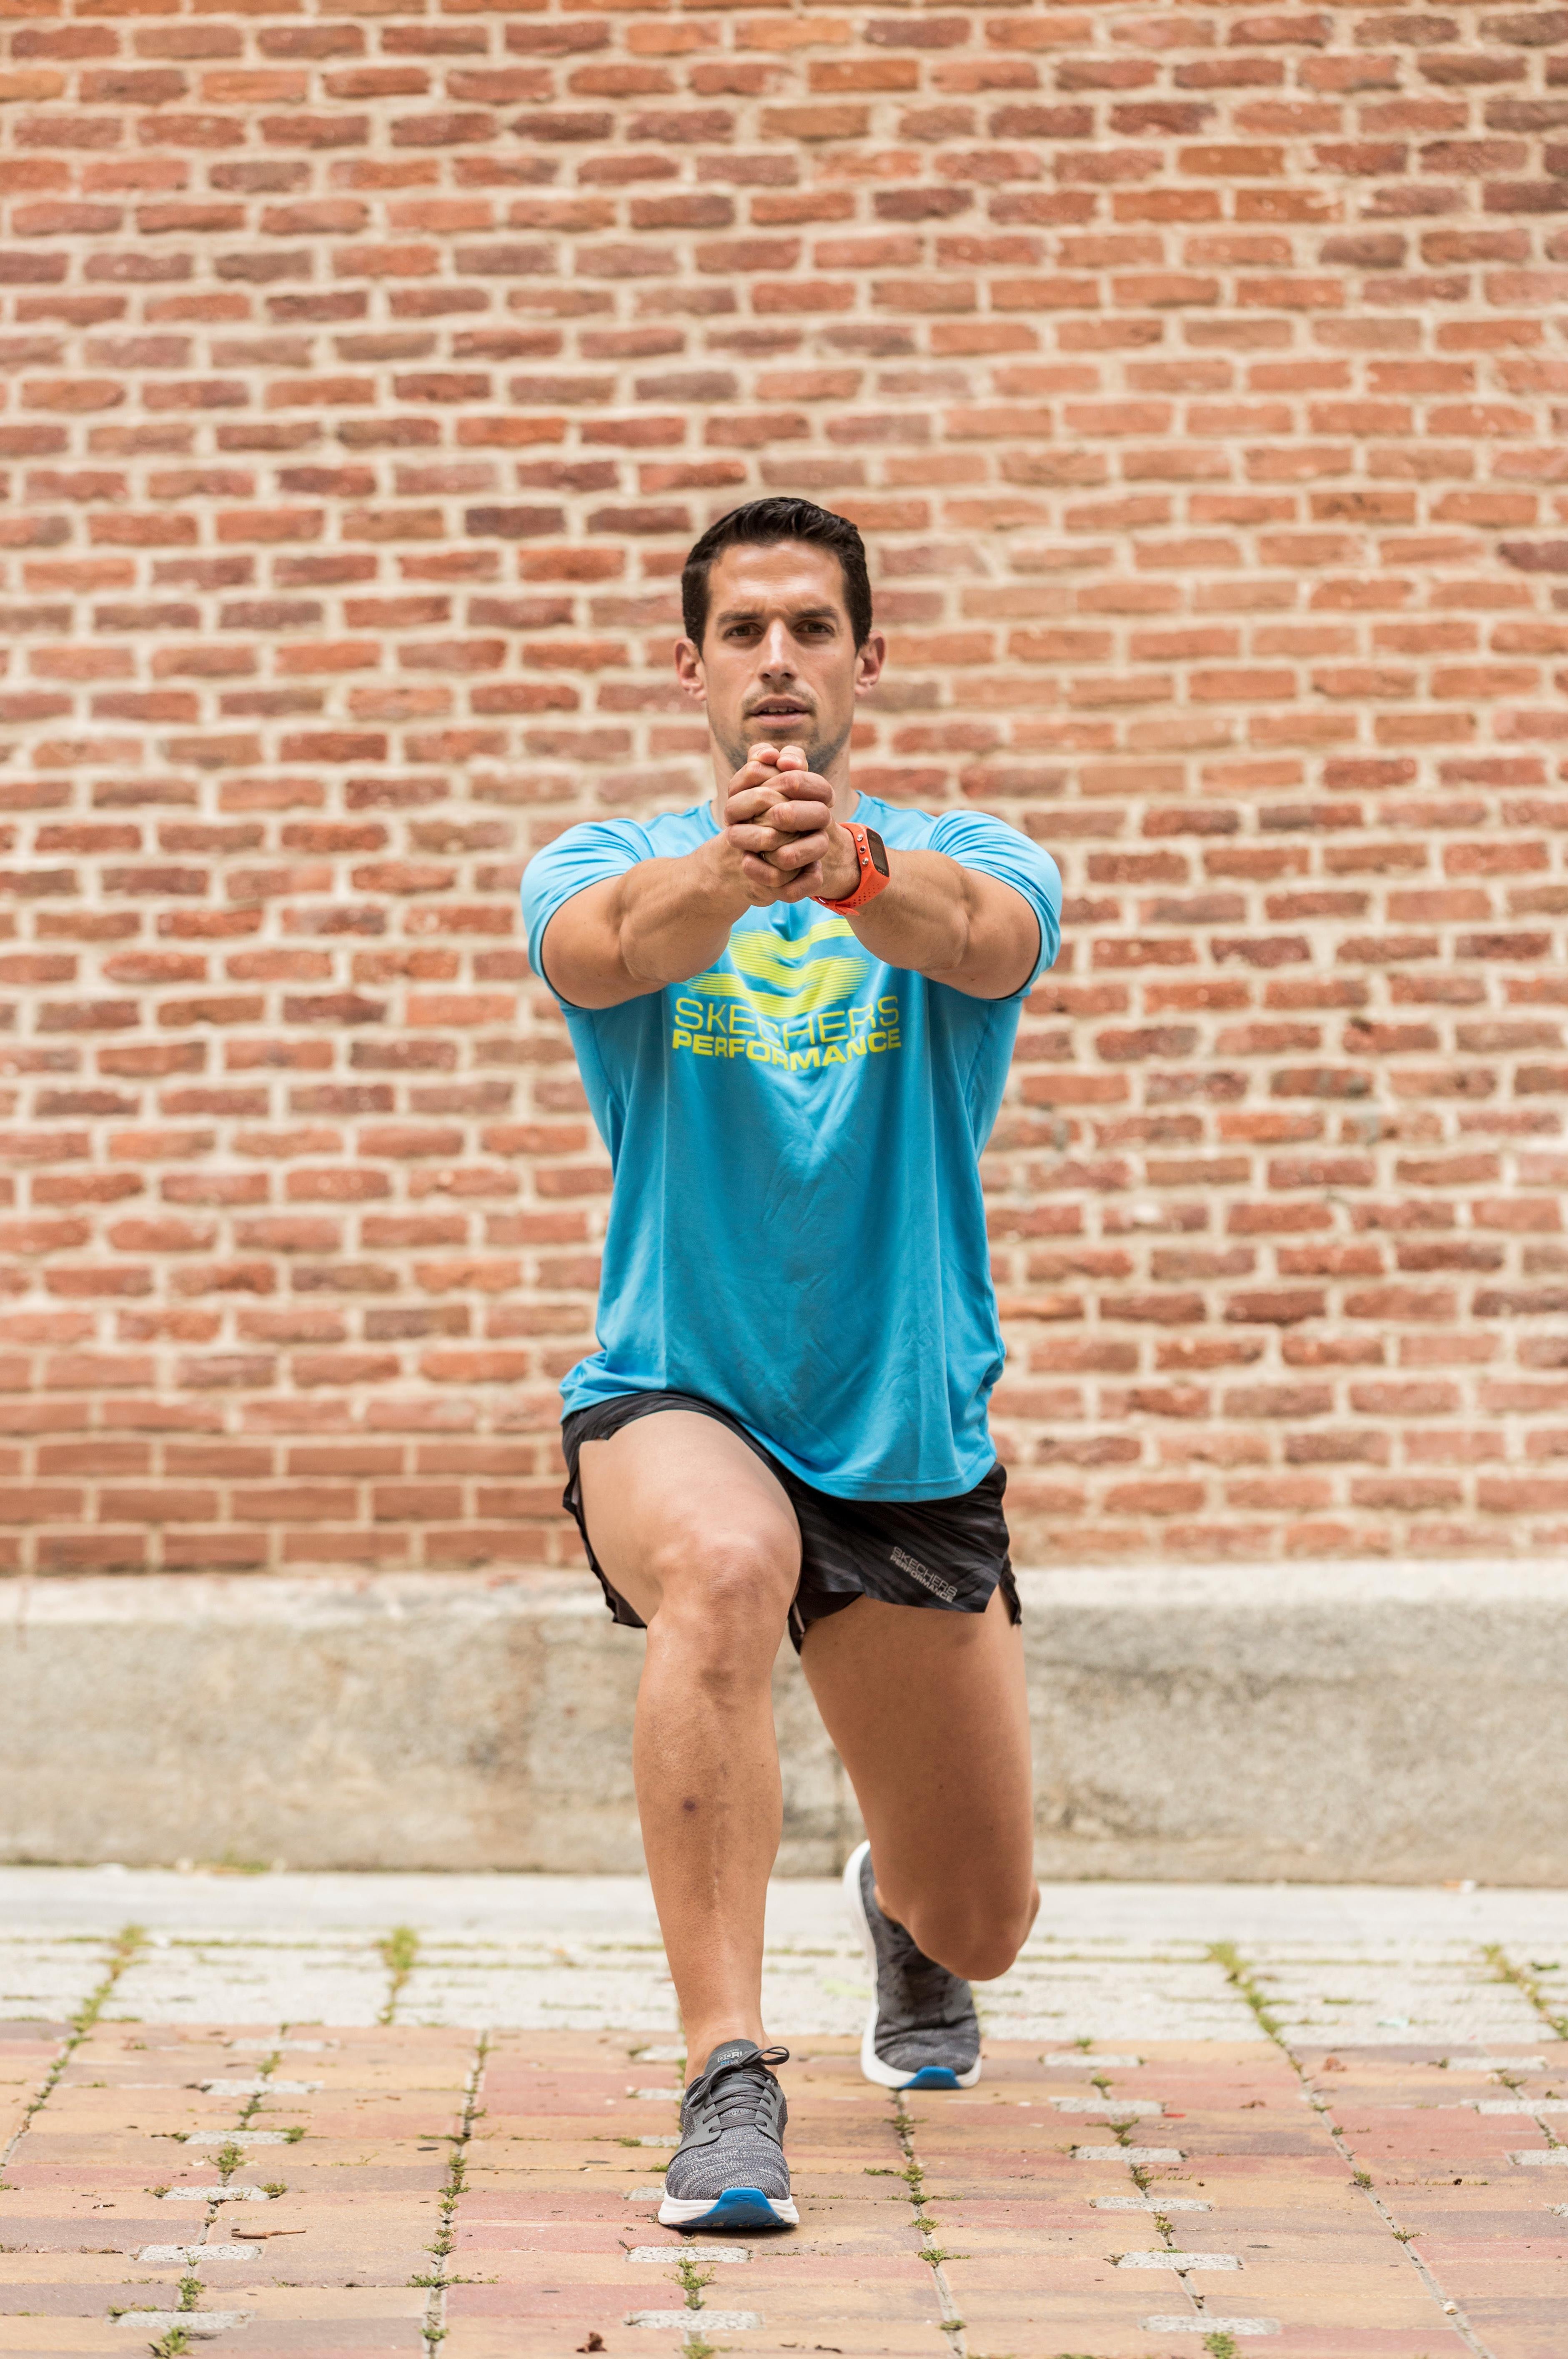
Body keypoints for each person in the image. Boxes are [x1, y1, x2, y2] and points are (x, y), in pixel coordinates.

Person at [521, 496, 1063, 2232]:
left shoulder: (964, 849)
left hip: (899, 1427)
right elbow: (613, 947)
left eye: (810, 628)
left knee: (983, 1915)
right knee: (725, 1560)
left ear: (863, 659)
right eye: (741, 631)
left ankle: (900, 1910)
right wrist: (730, 872)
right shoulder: (603, 859)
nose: (776, 659)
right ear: (688, 666)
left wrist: (851, 873)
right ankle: (727, 2076)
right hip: (675, 1388)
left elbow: (981, 939)